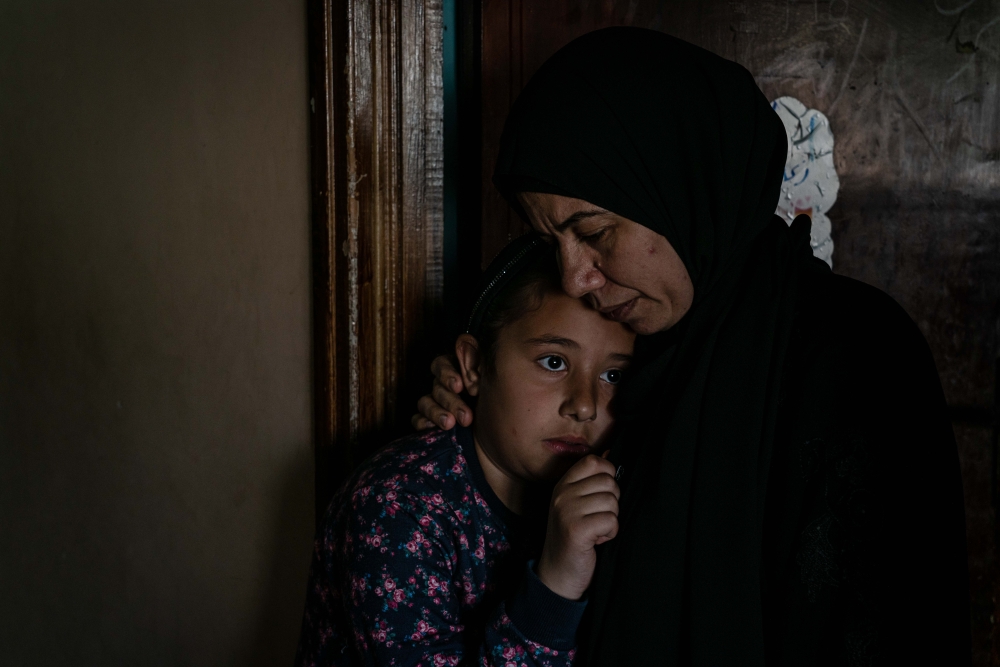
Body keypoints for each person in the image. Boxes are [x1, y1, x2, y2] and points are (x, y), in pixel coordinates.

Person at [412, 27, 971, 666]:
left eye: (592, 231)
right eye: (552, 244)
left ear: (685, 186)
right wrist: (471, 419)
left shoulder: (857, 358)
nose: (574, 277)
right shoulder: (638, 352)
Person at [295, 237, 635, 666]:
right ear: (473, 366)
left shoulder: (615, 486)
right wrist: (554, 585)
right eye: (553, 362)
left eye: (613, 375)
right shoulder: (396, 506)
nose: (584, 404)